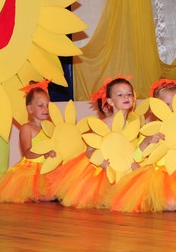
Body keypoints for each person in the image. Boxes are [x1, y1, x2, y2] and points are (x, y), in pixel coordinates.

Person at [106, 80, 176, 213]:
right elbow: (137, 157)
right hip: (157, 175)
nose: (171, 108)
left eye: (175, 104)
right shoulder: (151, 129)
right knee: (171, 205)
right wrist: (148, 141)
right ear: (156, 107)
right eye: (166, 105)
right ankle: (152, 200)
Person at [46, 75, 137, 208]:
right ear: (110, 101)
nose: (126, 97)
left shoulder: (132, 126)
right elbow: (90, 150)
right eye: (120, 95)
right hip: (101, 168)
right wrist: (100, 161)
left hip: (122, 169)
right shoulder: (103, 124)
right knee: (105, 198)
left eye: (129, 94)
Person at [0, 80, 57, 203]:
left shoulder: (52, 128)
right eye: (40, 105)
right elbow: (27, 153)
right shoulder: (27, 128)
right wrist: (44, 152)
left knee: (62, 189)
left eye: (48, 105)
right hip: (32, 169)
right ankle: (35, 193)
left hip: (48, 167)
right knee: (47, 194)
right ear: (30, 109)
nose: (45, 109)